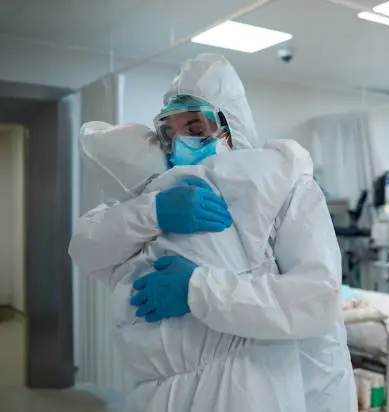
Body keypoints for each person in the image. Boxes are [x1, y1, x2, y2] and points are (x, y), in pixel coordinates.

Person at [69, 54, 356, 412]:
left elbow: (314, 299)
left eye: (195, 128)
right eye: (170, 134)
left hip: (256, 387)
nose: (180, 144)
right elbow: (85, 247)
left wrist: (196, 289)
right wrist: (154, 210)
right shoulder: (161, 197)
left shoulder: (281, 184)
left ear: (231, 129)